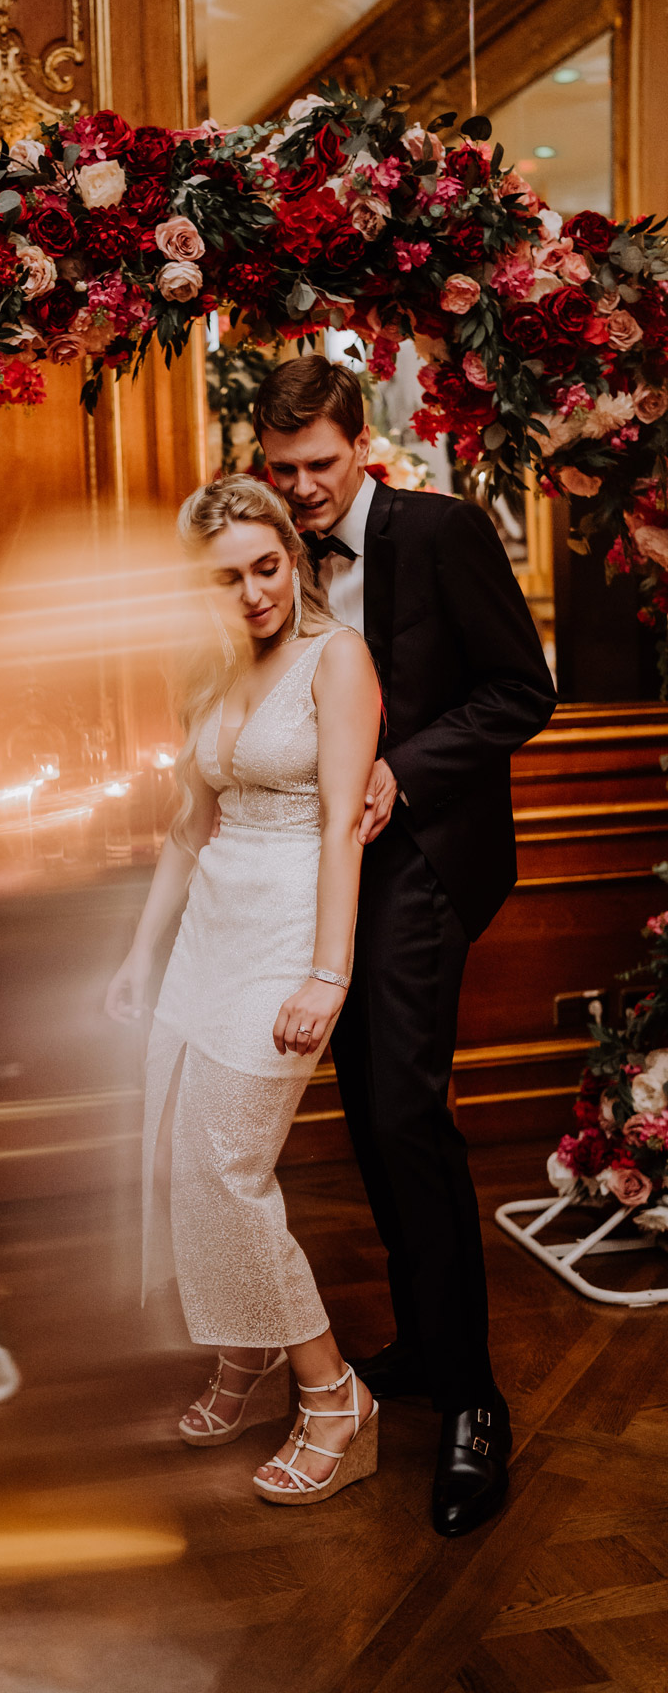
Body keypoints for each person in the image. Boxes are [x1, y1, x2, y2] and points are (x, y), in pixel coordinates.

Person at [252, 355, 558, 1538]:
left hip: (422, 861)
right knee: (366, 1107)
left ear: (360, 443)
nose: (302, 489)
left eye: (319, 466)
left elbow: (521, 693)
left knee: (404, 1116)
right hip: (315, 873)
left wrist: (400, 772)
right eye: (281, 471)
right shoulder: (269, 548)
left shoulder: (440, 532)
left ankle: (475, 1400)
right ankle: (426, 1347)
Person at [106, 474, 383, 1505]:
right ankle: (244, 1346)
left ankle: (332, 1390)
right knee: (190, 1156)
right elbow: (188, 828)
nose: (255, 592)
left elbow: (347, 833)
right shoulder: (208, 671)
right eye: (226, 578)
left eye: (267, 567)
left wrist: (329, 971)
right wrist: (141, 953)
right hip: (209, 938)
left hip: (288, 936)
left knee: (228, 1166)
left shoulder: (336, 660)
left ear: (292, 560)